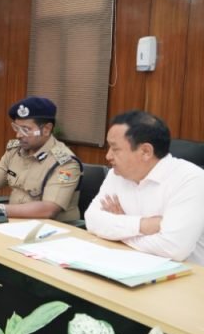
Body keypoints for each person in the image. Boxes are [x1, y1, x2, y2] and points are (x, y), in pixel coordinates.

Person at [85, 110, 204, 265]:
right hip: (129, 263)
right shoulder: (117, 174)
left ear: (146, 151)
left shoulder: (191, 179)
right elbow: (91, 220)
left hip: (185, 274)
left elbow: (174, 248)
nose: (108, 156)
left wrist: (118, 231)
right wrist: (144, 225)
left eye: (115, 149)